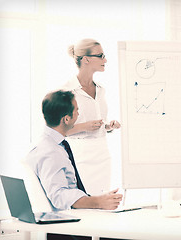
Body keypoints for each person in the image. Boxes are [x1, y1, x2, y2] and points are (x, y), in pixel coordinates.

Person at [26, 90, 123, 240]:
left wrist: (99, 199)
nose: (78, 114)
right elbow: (59, 196)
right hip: (69, 230)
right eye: (76, 110)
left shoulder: (50, 144)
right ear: (66, 119)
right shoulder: (51, 152)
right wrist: (98, 202)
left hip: (71, 222)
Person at [63, 39, 121, 195]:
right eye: (101, 56)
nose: (105, 60)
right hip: (80, 154)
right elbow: (60, 130)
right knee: (84, 201)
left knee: (102, 200)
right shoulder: (67, 91)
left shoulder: (101, 90)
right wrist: (85, 126)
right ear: (86, 59)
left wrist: (109, 126)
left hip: (102, 153)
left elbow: (100, 121)